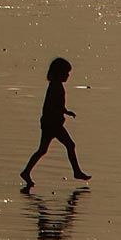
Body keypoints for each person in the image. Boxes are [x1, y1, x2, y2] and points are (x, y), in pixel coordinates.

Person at [22, 57, 90, 188]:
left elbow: (57, 105)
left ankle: (26, 172)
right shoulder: (56, 87)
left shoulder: (56, 86)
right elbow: (53, 105)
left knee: (43, 150)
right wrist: (62, 112)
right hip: (52, 124)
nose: (68, 76)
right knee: (70, 145)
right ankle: (76, 171)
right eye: (66, 73)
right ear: (59, 73)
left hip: (50, 123)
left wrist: (66, 111)